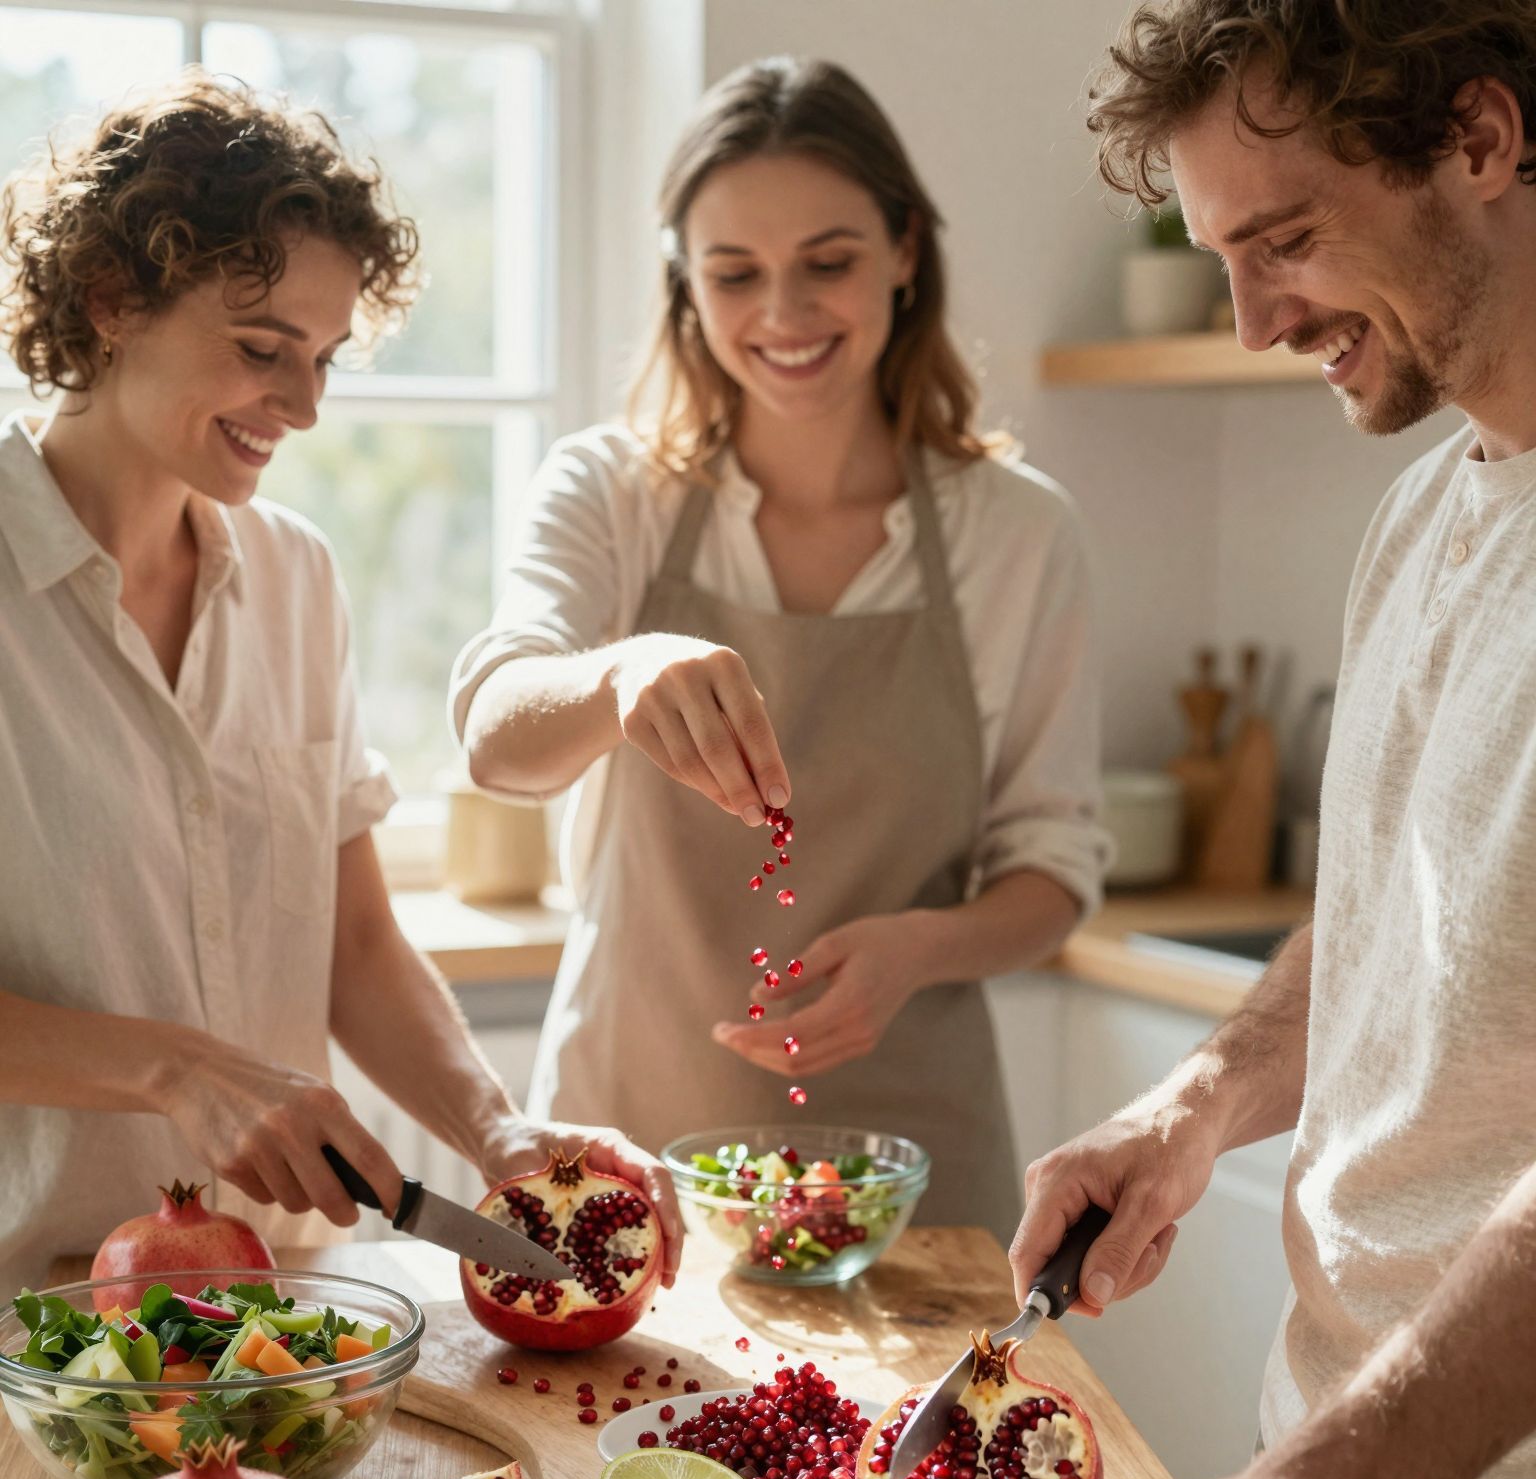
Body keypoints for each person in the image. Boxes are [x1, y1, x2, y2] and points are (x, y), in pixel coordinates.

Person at [985, 0, 1536, 1479]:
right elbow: (1391, 922)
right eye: (1220, 257)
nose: (1249, 315)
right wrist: (1200, 1100)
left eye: (1285, 238)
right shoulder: (1442, 498)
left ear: (1481, 135)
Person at [0, 74, 680, 1298]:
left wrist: (497, 1132)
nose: (306, 405)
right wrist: (173, 1067)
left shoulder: (297, 578)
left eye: (322, 358)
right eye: (263, 350)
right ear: (111, 301)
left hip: (287, 1307)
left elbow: (356, 940)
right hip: (31, 1327)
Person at [452, 57, 1110, 1240]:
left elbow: (1052, 870)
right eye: (735, 272)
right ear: (684, 283)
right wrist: (618, 674)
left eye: (829, 261)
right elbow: (496, 734)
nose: (784, 314)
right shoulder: (612, 494)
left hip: (917, 1173)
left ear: (905, 249)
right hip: (626, 1144)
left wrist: (921, 949)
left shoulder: (1020, 533)